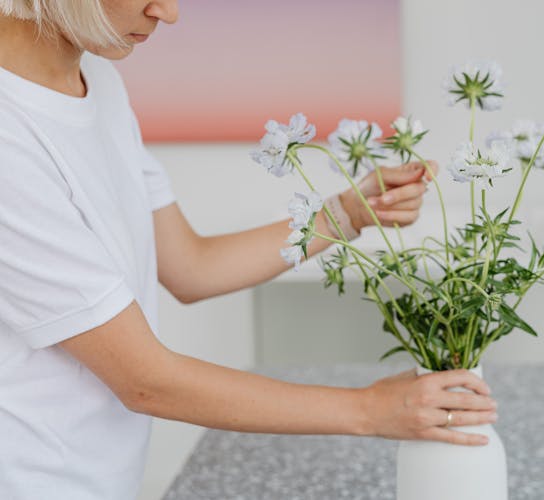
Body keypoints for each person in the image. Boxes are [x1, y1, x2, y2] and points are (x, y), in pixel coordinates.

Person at [0, 1, 499, 498]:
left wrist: (345, 214)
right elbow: (144, 379)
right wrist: (371, 410)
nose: (168, 13)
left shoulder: (99, 82)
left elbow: (190, 266)